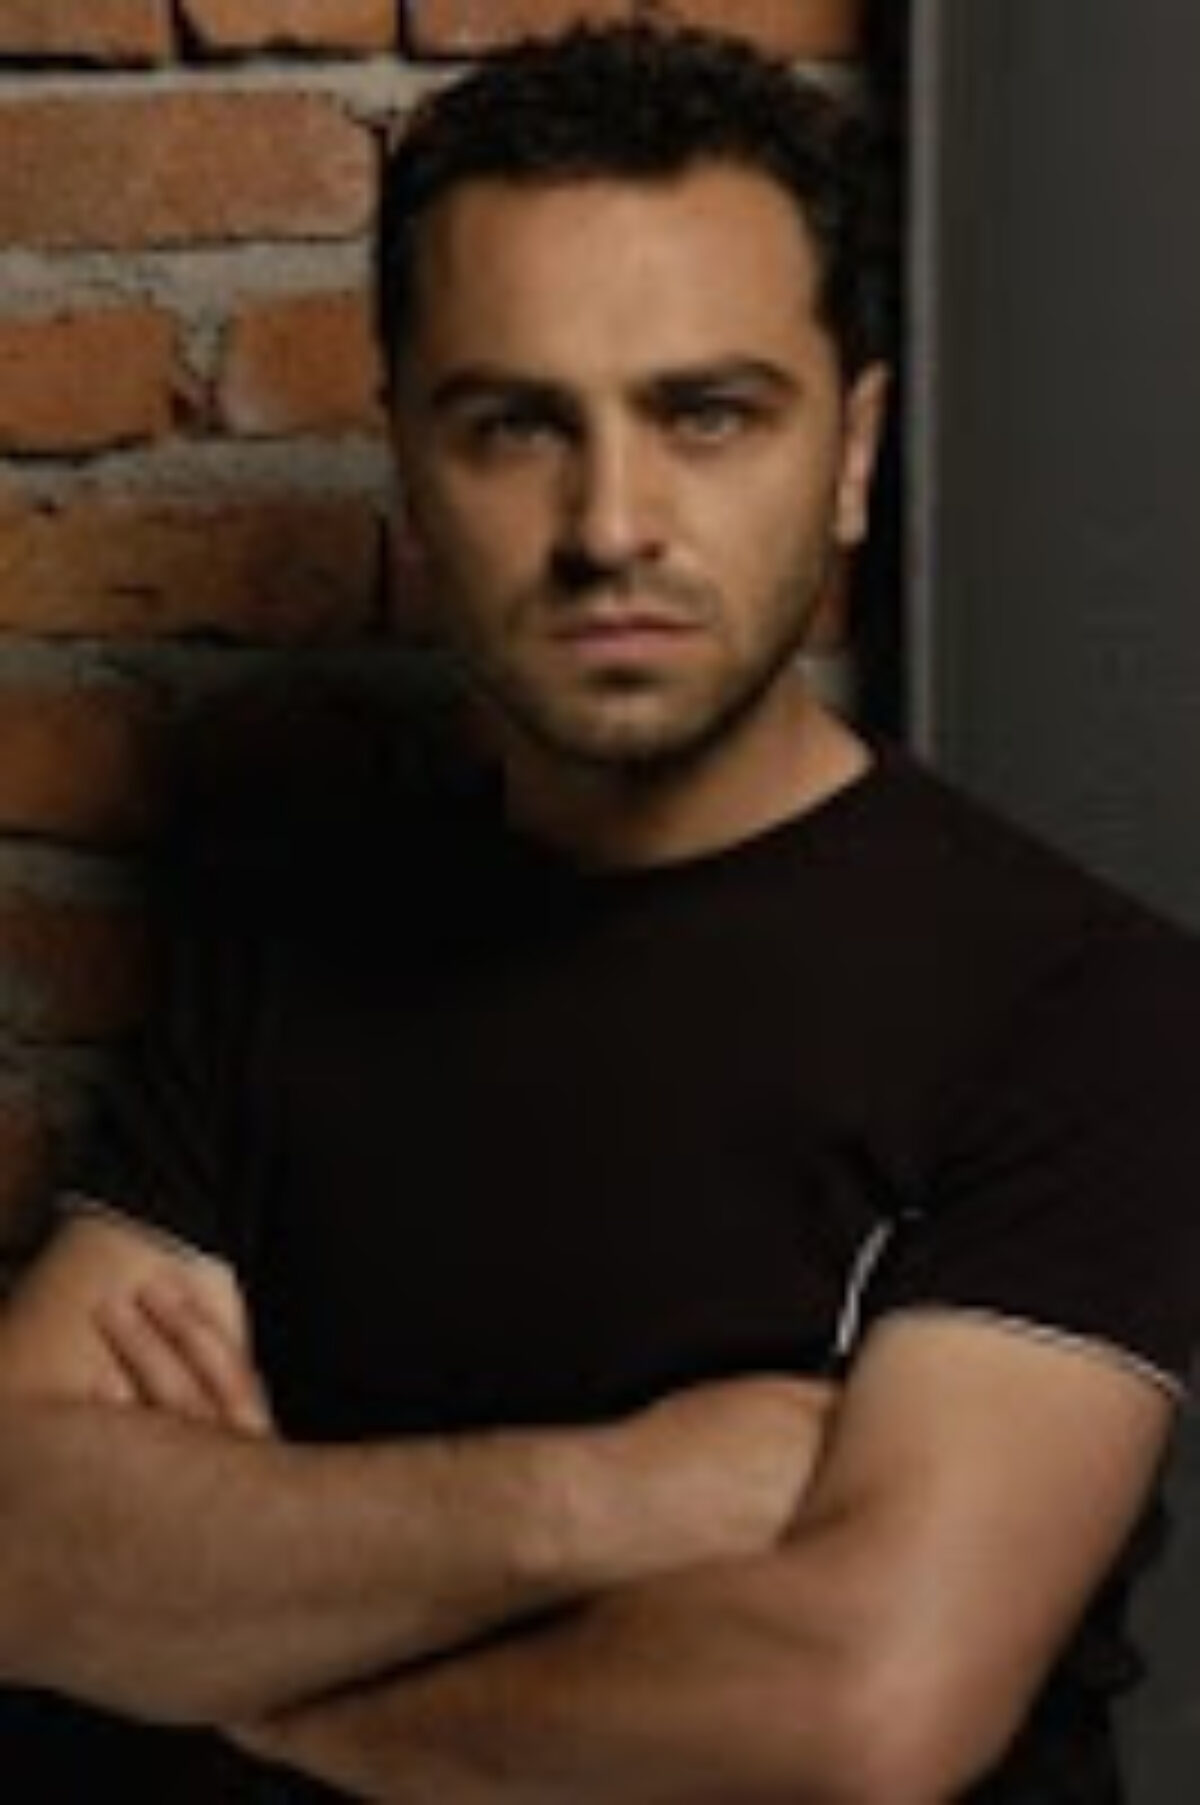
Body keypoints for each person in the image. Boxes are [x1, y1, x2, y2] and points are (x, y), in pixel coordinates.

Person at [2, 22, 1199, 1803]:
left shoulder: (1082, 1001)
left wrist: (266, 1684)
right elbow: (24, 1543)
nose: (611, 524)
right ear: (411, 464)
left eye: (707, 414)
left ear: (854, 452)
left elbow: (857, 1705)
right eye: (515, 425)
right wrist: (610, 1500)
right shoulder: (296, 939)